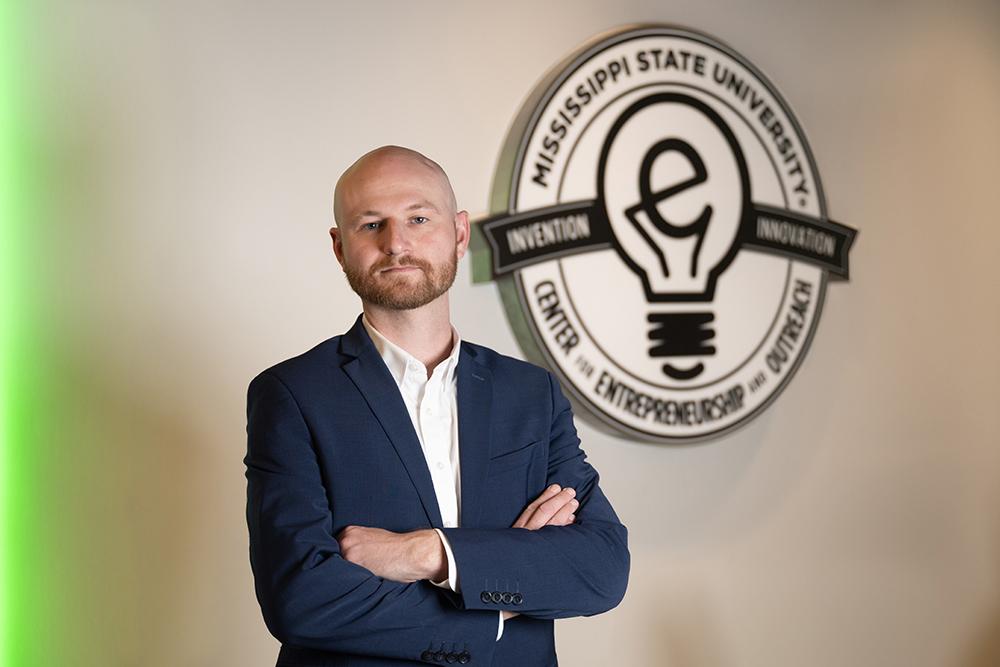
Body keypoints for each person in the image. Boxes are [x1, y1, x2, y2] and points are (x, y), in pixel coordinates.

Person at [245, 146, 629, 666]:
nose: (396, 243)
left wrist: (428, 554)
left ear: (460, 232)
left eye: (419, 218)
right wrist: (498, 599)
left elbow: (601, 568)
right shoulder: (292, 394)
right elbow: (301, 598)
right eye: (370, 224)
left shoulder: (530, 394)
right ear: (339, 248)